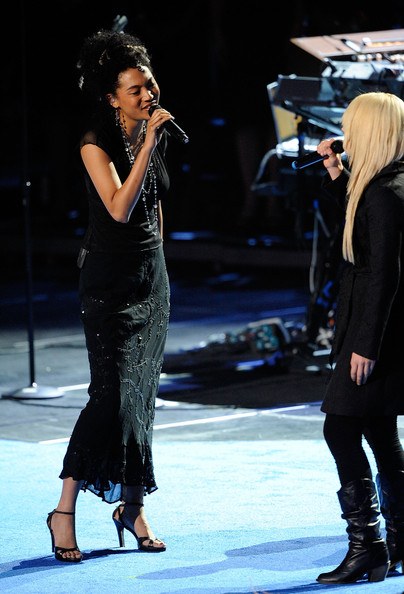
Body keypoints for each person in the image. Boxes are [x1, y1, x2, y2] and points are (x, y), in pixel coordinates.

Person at [46, 29, 175, 562]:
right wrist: (147, 142)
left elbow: (154, 203)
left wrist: (159, 256)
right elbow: (120, 206)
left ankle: (133, 505)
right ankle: (63, 509)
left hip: (151, 277)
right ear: (111, 97)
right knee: (110, 396)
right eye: (135, 89)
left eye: (148, 84)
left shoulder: (149, 131)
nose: (147, 95)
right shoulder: (94, 142)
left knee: (142, 395)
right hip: (108, 282)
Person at [314, 92, 404, 584]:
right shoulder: (403, 176)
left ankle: (368, 546)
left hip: (377, 329)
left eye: (351, 127)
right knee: (380, 430)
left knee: (340, 428)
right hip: (393, 326)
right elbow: (363, 231)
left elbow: (382, 273)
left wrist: (363, 344)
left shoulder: (386, 191)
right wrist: (339, 175)